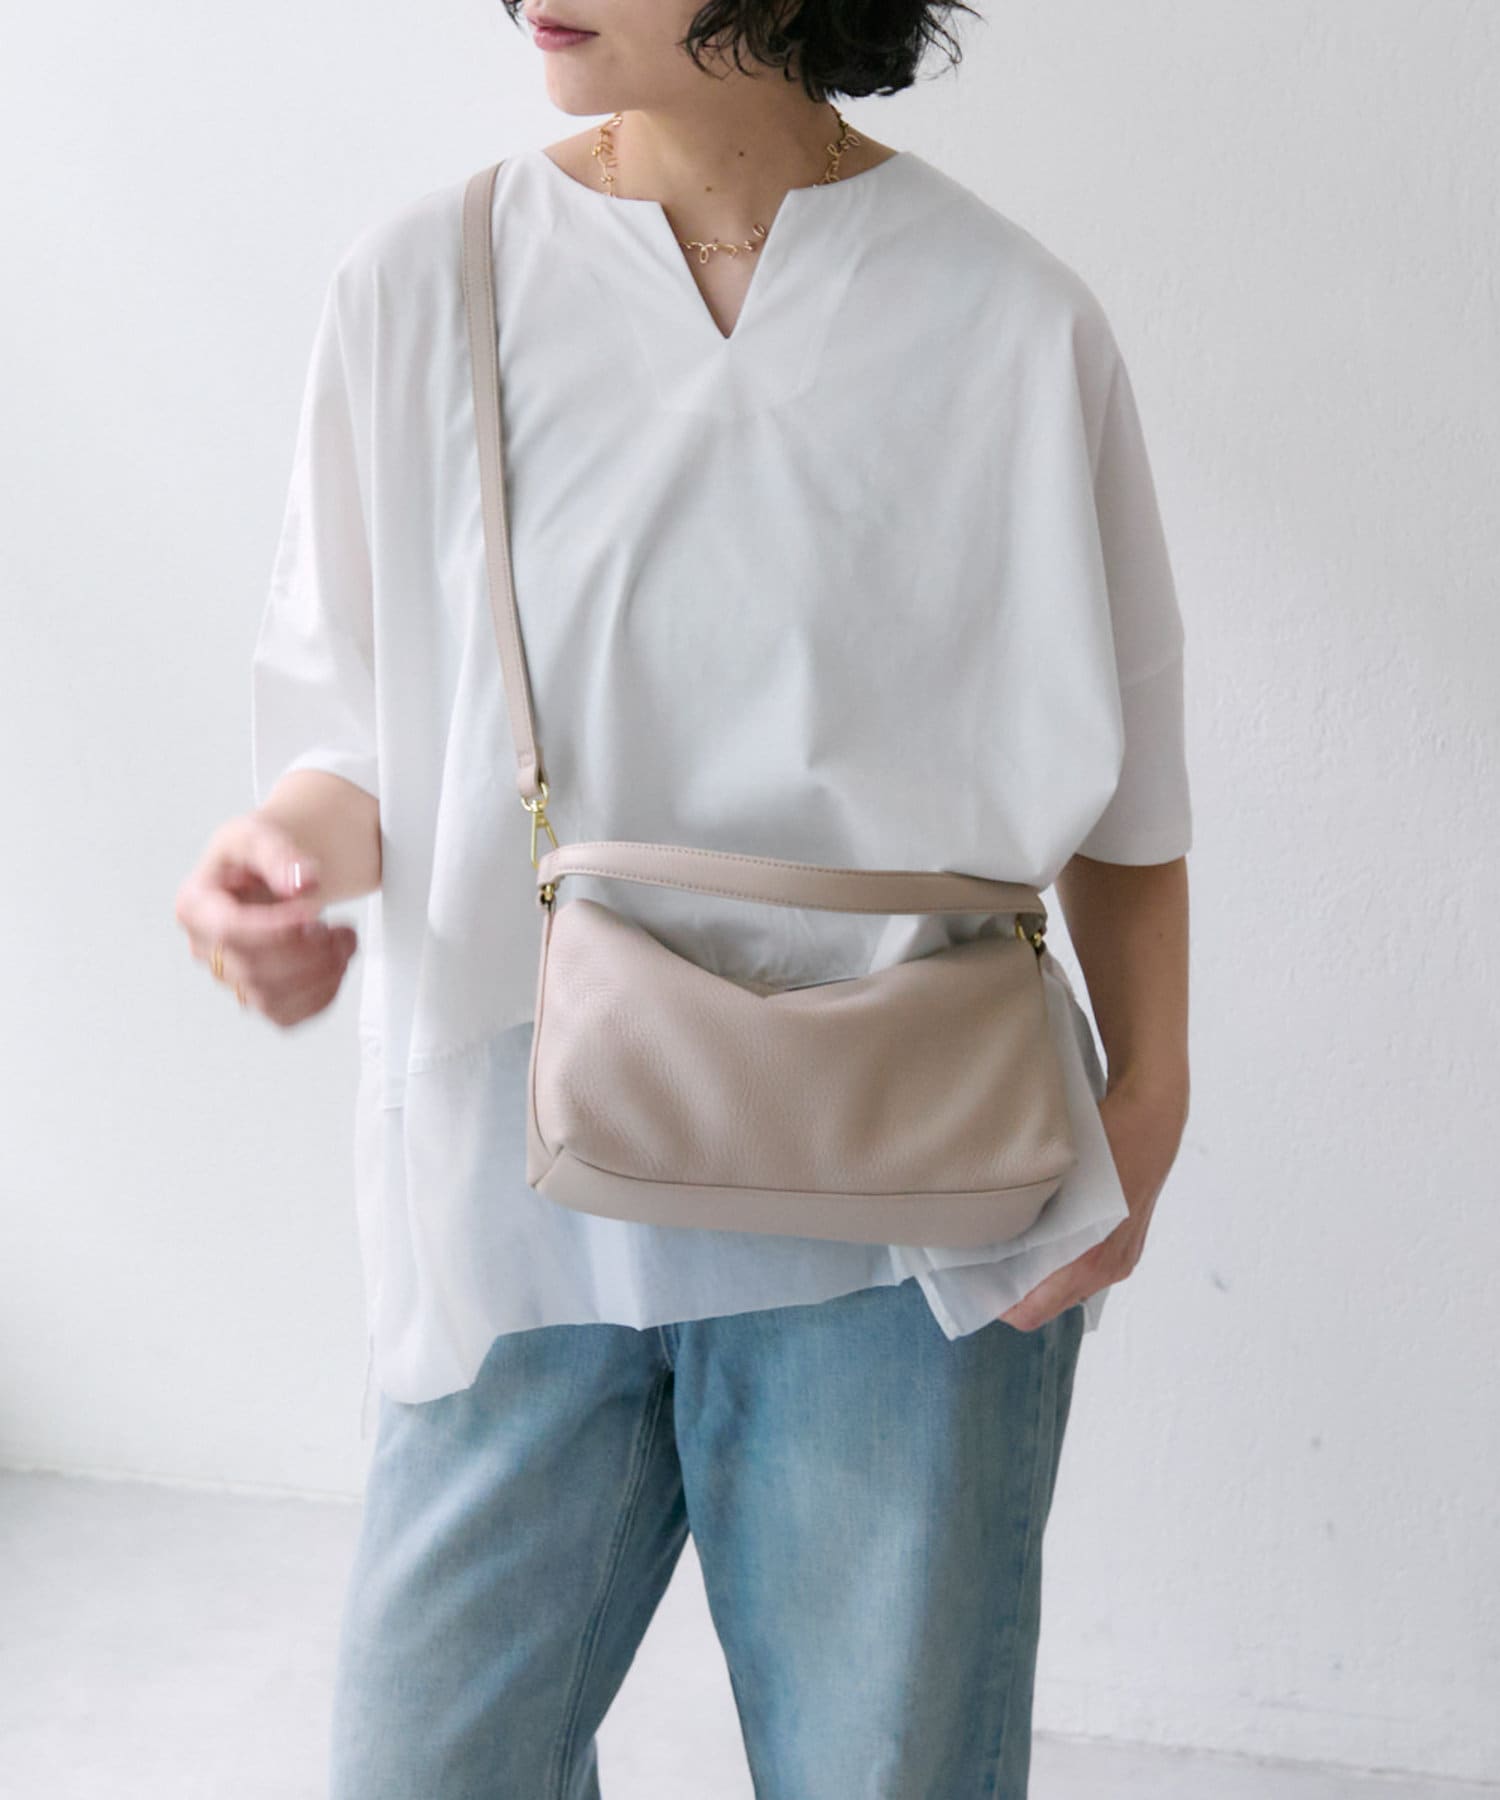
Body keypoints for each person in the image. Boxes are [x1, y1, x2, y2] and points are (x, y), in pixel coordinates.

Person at [173, 0, 1193, 1790]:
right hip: (515, 1195)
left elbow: (1125, 781)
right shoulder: (425, 284)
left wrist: (1152, 1106)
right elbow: (360, 737)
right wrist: (279, 862)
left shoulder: (1011, 318)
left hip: (910, 1223)